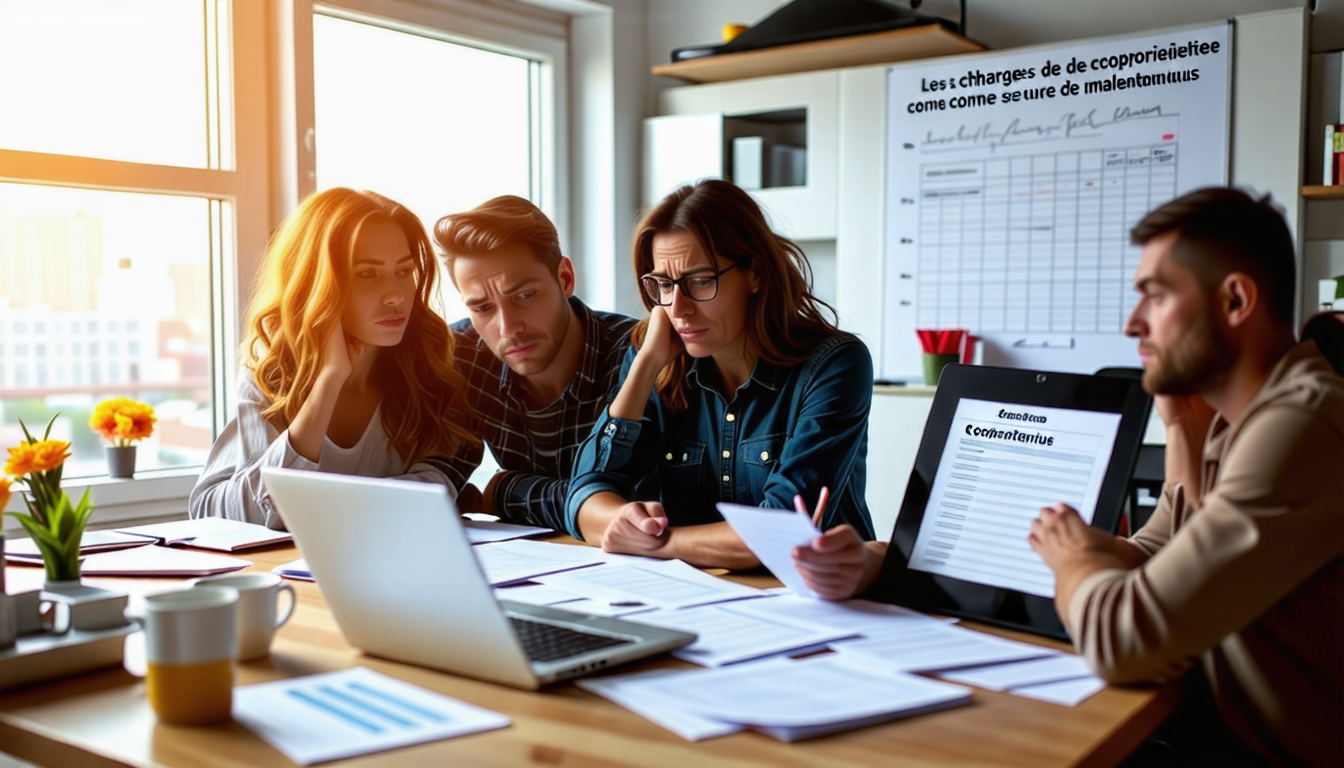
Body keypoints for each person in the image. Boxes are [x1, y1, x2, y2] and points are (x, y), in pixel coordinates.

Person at [794, 188, 1344, 766]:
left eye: (1155, 297)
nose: (1133, 324)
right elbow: (1164, 556)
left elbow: (1123, 641)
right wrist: (1180, 430)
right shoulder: (1240, 420)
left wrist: (1076, 559)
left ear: (1235, 301)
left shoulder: (1298, 426)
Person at [565, 178, 876, 569]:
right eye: (663, 284)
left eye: (699, 281)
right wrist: (645, 365)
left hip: (822, 602)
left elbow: (780, 534)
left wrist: (657, 543)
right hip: (701, 598)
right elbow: (583, 498)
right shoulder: (657, 356)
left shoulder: (835, 365)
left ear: (756, 273)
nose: (677, 308)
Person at [190, 188, 477, 529]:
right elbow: (209, 512)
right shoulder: (271, 372)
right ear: (317, 283)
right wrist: (327, 383)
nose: (396, 296)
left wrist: (326, 505)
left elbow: (438, 487)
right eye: (368, 274)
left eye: (404, 271)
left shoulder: (430, 365)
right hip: (291, 574)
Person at [432, 196, 636, 530]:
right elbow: (438, 481)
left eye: (524, 296)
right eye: (482, 308)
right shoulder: (465, 355)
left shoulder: (635, 357)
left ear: (565, 278)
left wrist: (498, 493)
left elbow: (636, 508)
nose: (508, 328)